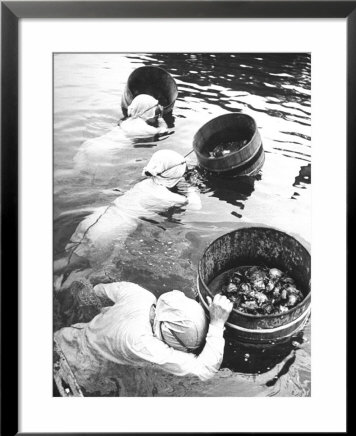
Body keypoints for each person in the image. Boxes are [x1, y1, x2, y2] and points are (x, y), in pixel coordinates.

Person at [54, 149, 201, 275]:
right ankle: (60, 282)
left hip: (98, 217)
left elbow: (166, 171)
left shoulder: (144, 183)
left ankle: (57, 276)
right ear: (176, 175)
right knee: (82, 266)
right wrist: (190, 187)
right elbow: (196, 206)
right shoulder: (168, 197)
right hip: (111, 230)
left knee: (70, 257)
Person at [54, 280, 233, 382]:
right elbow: (205, 370)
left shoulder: (139, 294)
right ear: (167, 335)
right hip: (78, 368)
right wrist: (217, 325)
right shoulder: (141, 343)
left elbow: (96, 292)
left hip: (67, 336)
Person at [74, 94, 169, 177]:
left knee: (78, 174)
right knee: (97, 180)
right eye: (154, 115)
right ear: (148, 113)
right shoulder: (145, 128)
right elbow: (163, 129)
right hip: (104, 152)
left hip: (92, 144)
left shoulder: (129, 121)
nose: (155, 118)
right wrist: (161, 119)